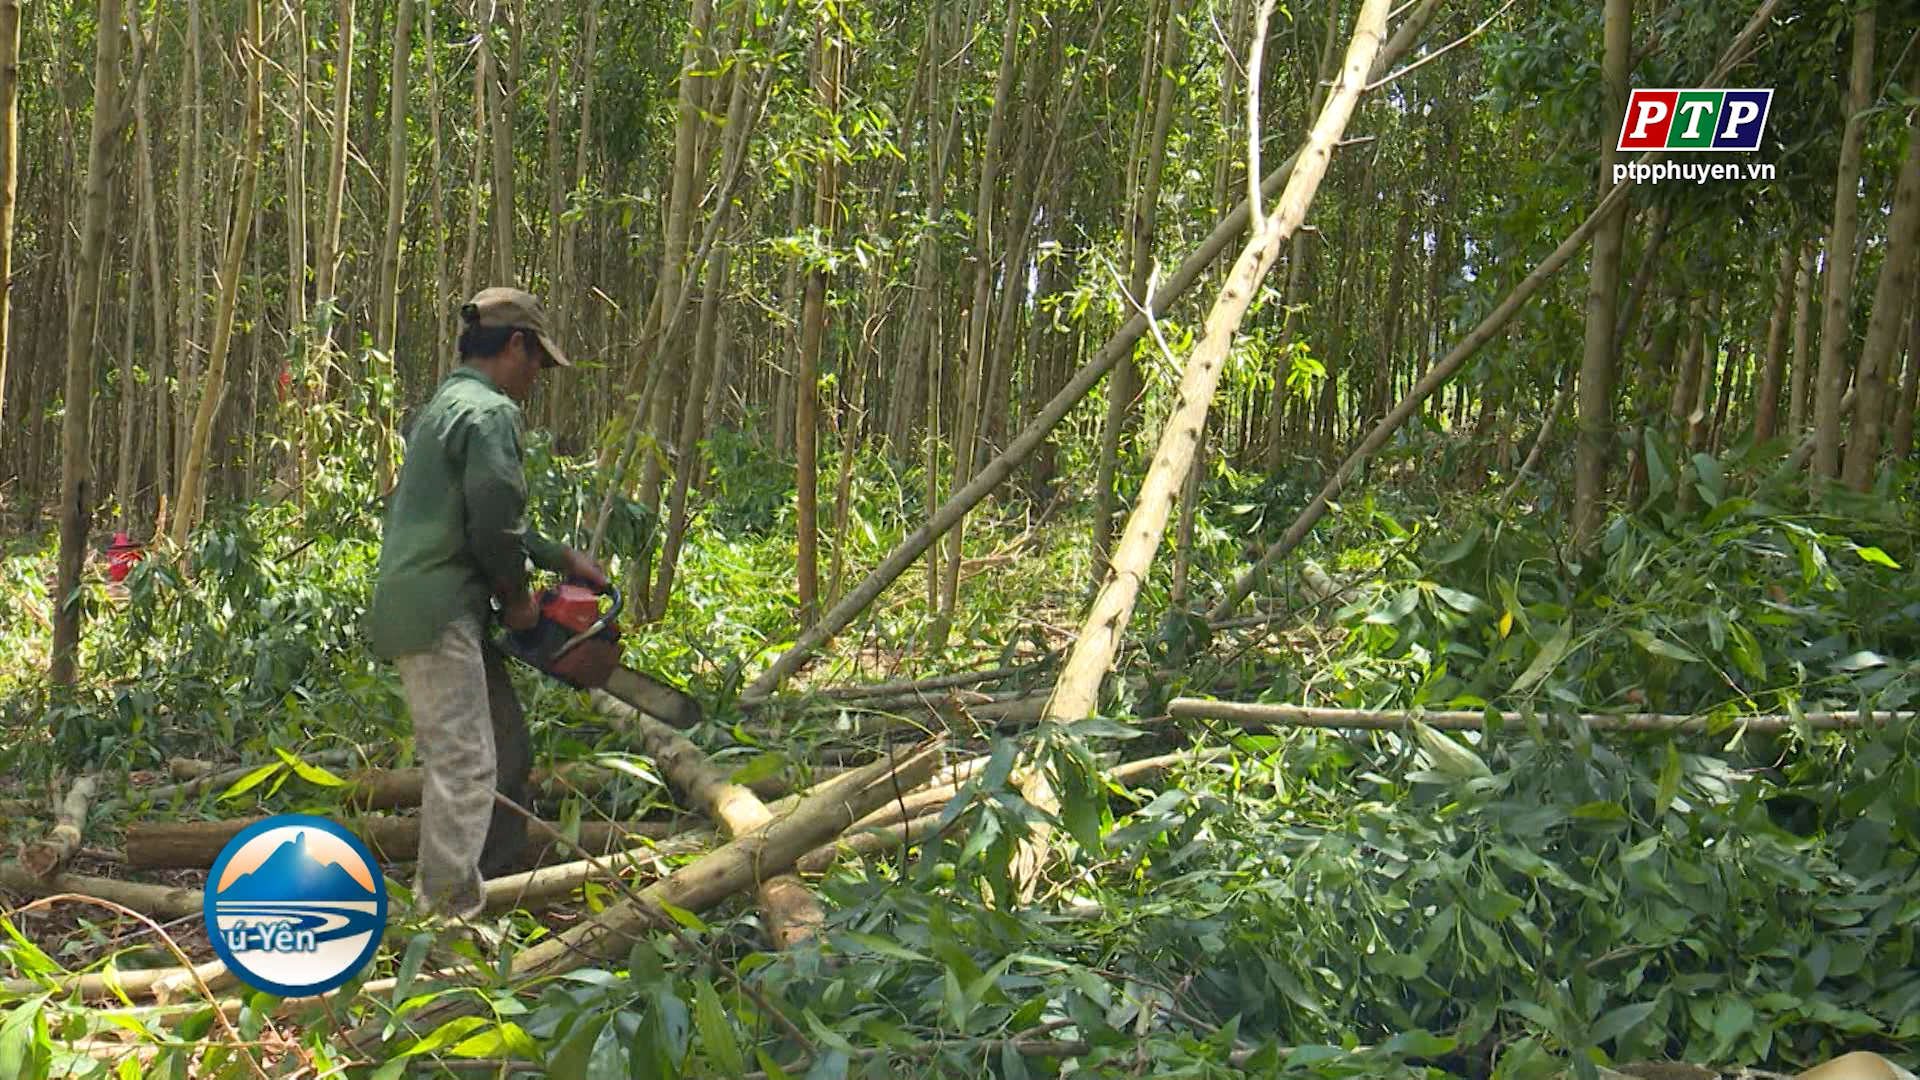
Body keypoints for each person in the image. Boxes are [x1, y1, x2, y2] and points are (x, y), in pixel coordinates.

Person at [368, 286, 608, 920]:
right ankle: (442, 922)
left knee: (504, 747)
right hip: (441, 608)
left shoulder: (447, 406)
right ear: (516, 345)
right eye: (536, 362)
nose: (536, 378)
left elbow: (483, 511)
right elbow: (495, 530)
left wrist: (561, 560)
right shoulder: (491, 413)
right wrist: (521, 602)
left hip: (432, 603)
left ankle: (492, 880)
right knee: (467, 764)